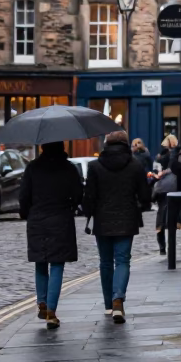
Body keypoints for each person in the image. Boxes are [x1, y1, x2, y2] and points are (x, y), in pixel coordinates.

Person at [83, 130, 151, 323]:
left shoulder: (95, 166)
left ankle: (108, 305)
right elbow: (145, 196)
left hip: (102, 220)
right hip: (127, 219)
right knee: (122, 261)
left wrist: (88, 211)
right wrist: (141, 205)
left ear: (106, 144)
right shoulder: (135, 166)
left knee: (105, 262)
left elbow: (89, 196)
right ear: (125, 144)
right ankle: (118, 299)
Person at [19, 141, 83, 330]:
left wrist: (27, 214)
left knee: (41, 262)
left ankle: (42, 302)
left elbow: (23, 197)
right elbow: (79, 194)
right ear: (62, 147)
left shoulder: (32, 168)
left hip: (37, 219)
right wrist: (70, 206)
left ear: (42, 148)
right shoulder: (68, 168)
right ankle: (52, 312)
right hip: (60, 219)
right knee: (56, 264)